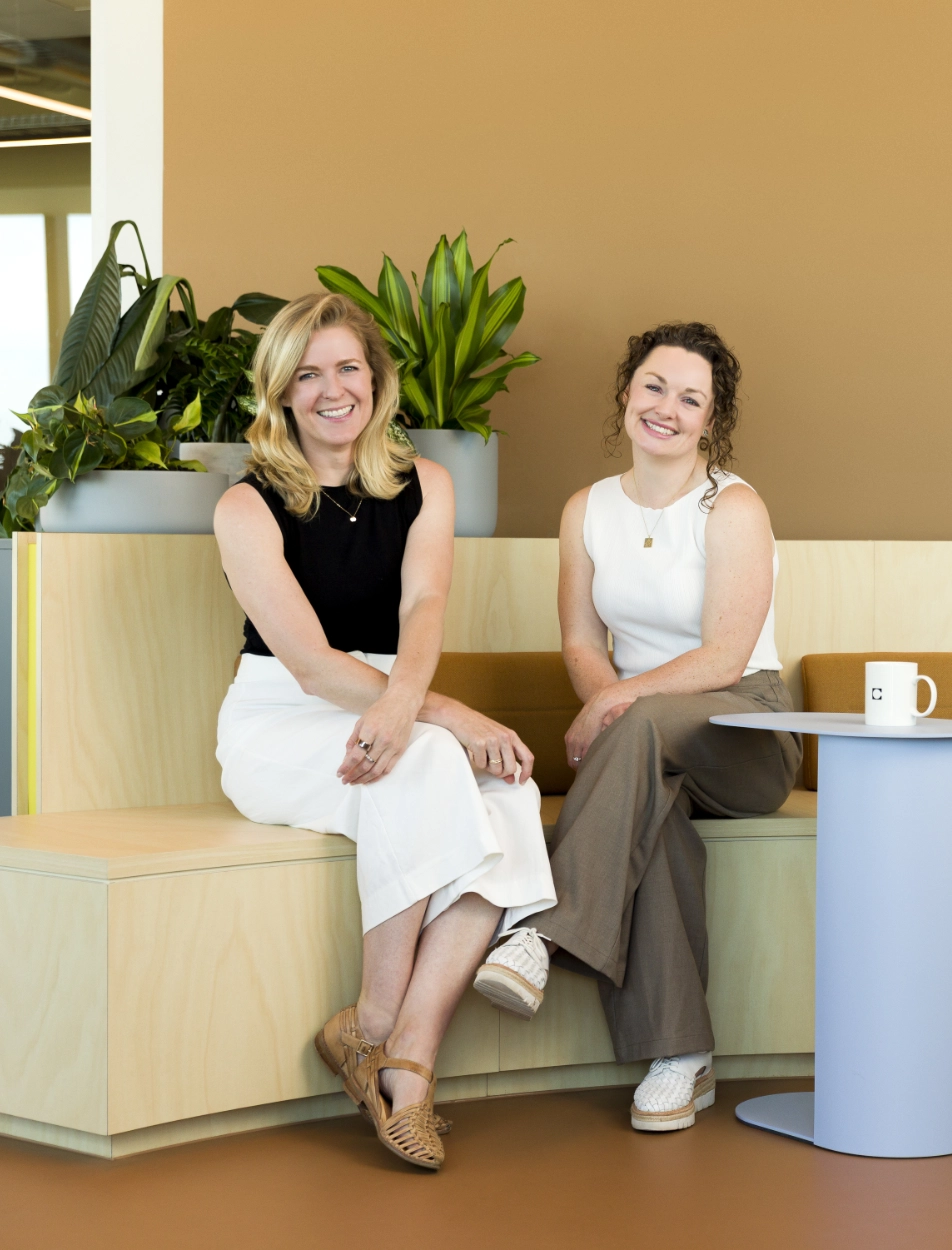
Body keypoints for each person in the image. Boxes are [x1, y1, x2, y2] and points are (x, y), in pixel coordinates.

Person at [214, 292, 555, 1170]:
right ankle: (373, 1031)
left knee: (506, 786)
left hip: (396, 694)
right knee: (433, 762)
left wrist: (409, 702)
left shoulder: (424, 483)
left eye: (349, 368)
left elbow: (424, 603)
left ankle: (402, 1056)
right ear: (282, 392)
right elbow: (316, 667)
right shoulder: (245, 509)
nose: (333, 389)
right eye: (310, 373)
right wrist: (433, 710)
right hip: (283, 721)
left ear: (377, 379)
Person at [474, 322, 801, 1133]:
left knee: (642, 730)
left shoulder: (733, 506)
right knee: (650, 824)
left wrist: (613, 704)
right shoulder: (587, 509)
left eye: (691, 398)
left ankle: (542, 935)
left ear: (709, 420)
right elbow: (584, 643)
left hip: (745, 729)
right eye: (654, 386)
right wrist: (606, 698)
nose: (667, 408)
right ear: (627, 391)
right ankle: (682, 1057)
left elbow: (726, 655)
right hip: (645, 738)